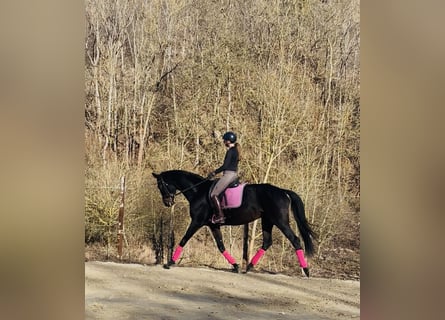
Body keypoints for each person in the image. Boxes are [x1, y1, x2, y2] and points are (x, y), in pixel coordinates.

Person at [207, 131, 240, 224]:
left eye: (225, 140)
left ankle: (220, 216)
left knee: (213, 194)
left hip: (228, 175)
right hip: (233, 174)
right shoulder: (235, 150)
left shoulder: (231, 151)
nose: (224, 142)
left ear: (228, 141)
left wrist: (214, 172)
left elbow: (225, 166)